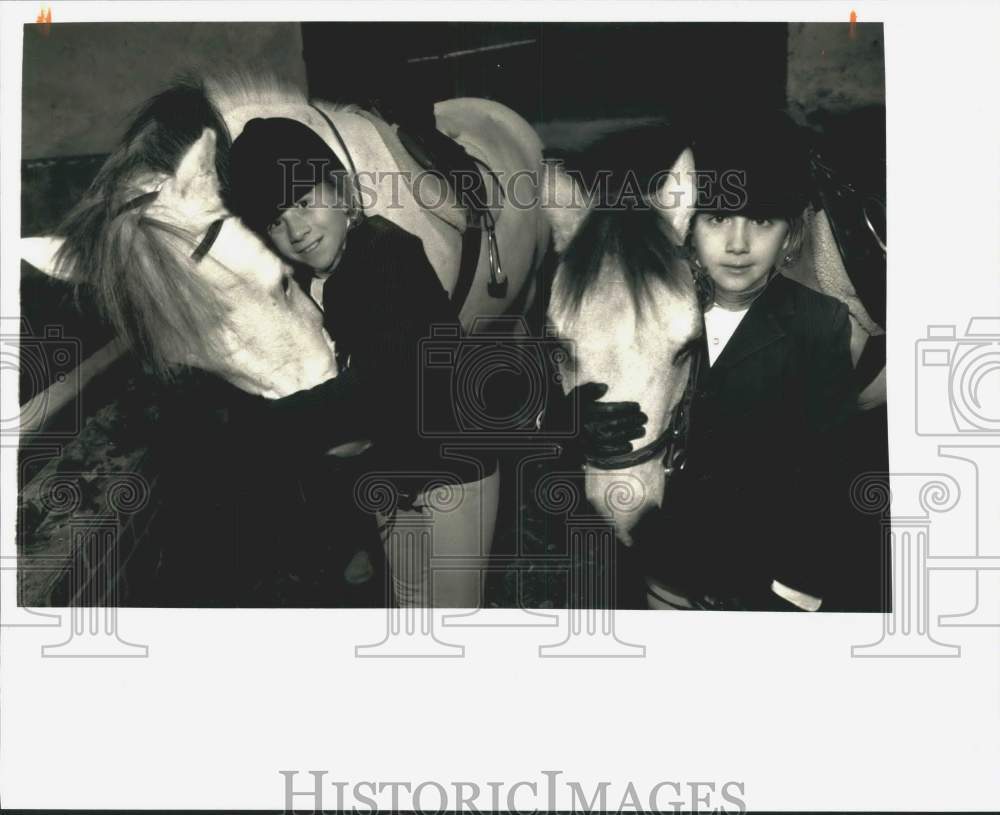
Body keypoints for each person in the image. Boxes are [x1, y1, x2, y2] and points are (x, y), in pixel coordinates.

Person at [227, 117, 496, 607]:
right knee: (412, 608)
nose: (297, 230)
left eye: (304, 203)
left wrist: (266, 426)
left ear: (343, 193)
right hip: (395, 472)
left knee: (452, 614)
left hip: (453, 466)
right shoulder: (315, 280)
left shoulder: (387, 253)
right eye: (275, 221)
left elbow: (383, 383)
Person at [633, 113, 860, 611]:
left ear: (791, 232)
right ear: (687, 228)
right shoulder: (657, 312)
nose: (738, 244)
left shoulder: (817, 322)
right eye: (717, 219)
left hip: (761, 579)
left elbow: (831, 462)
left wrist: (796, 588)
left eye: (761, 221)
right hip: (668, 565)